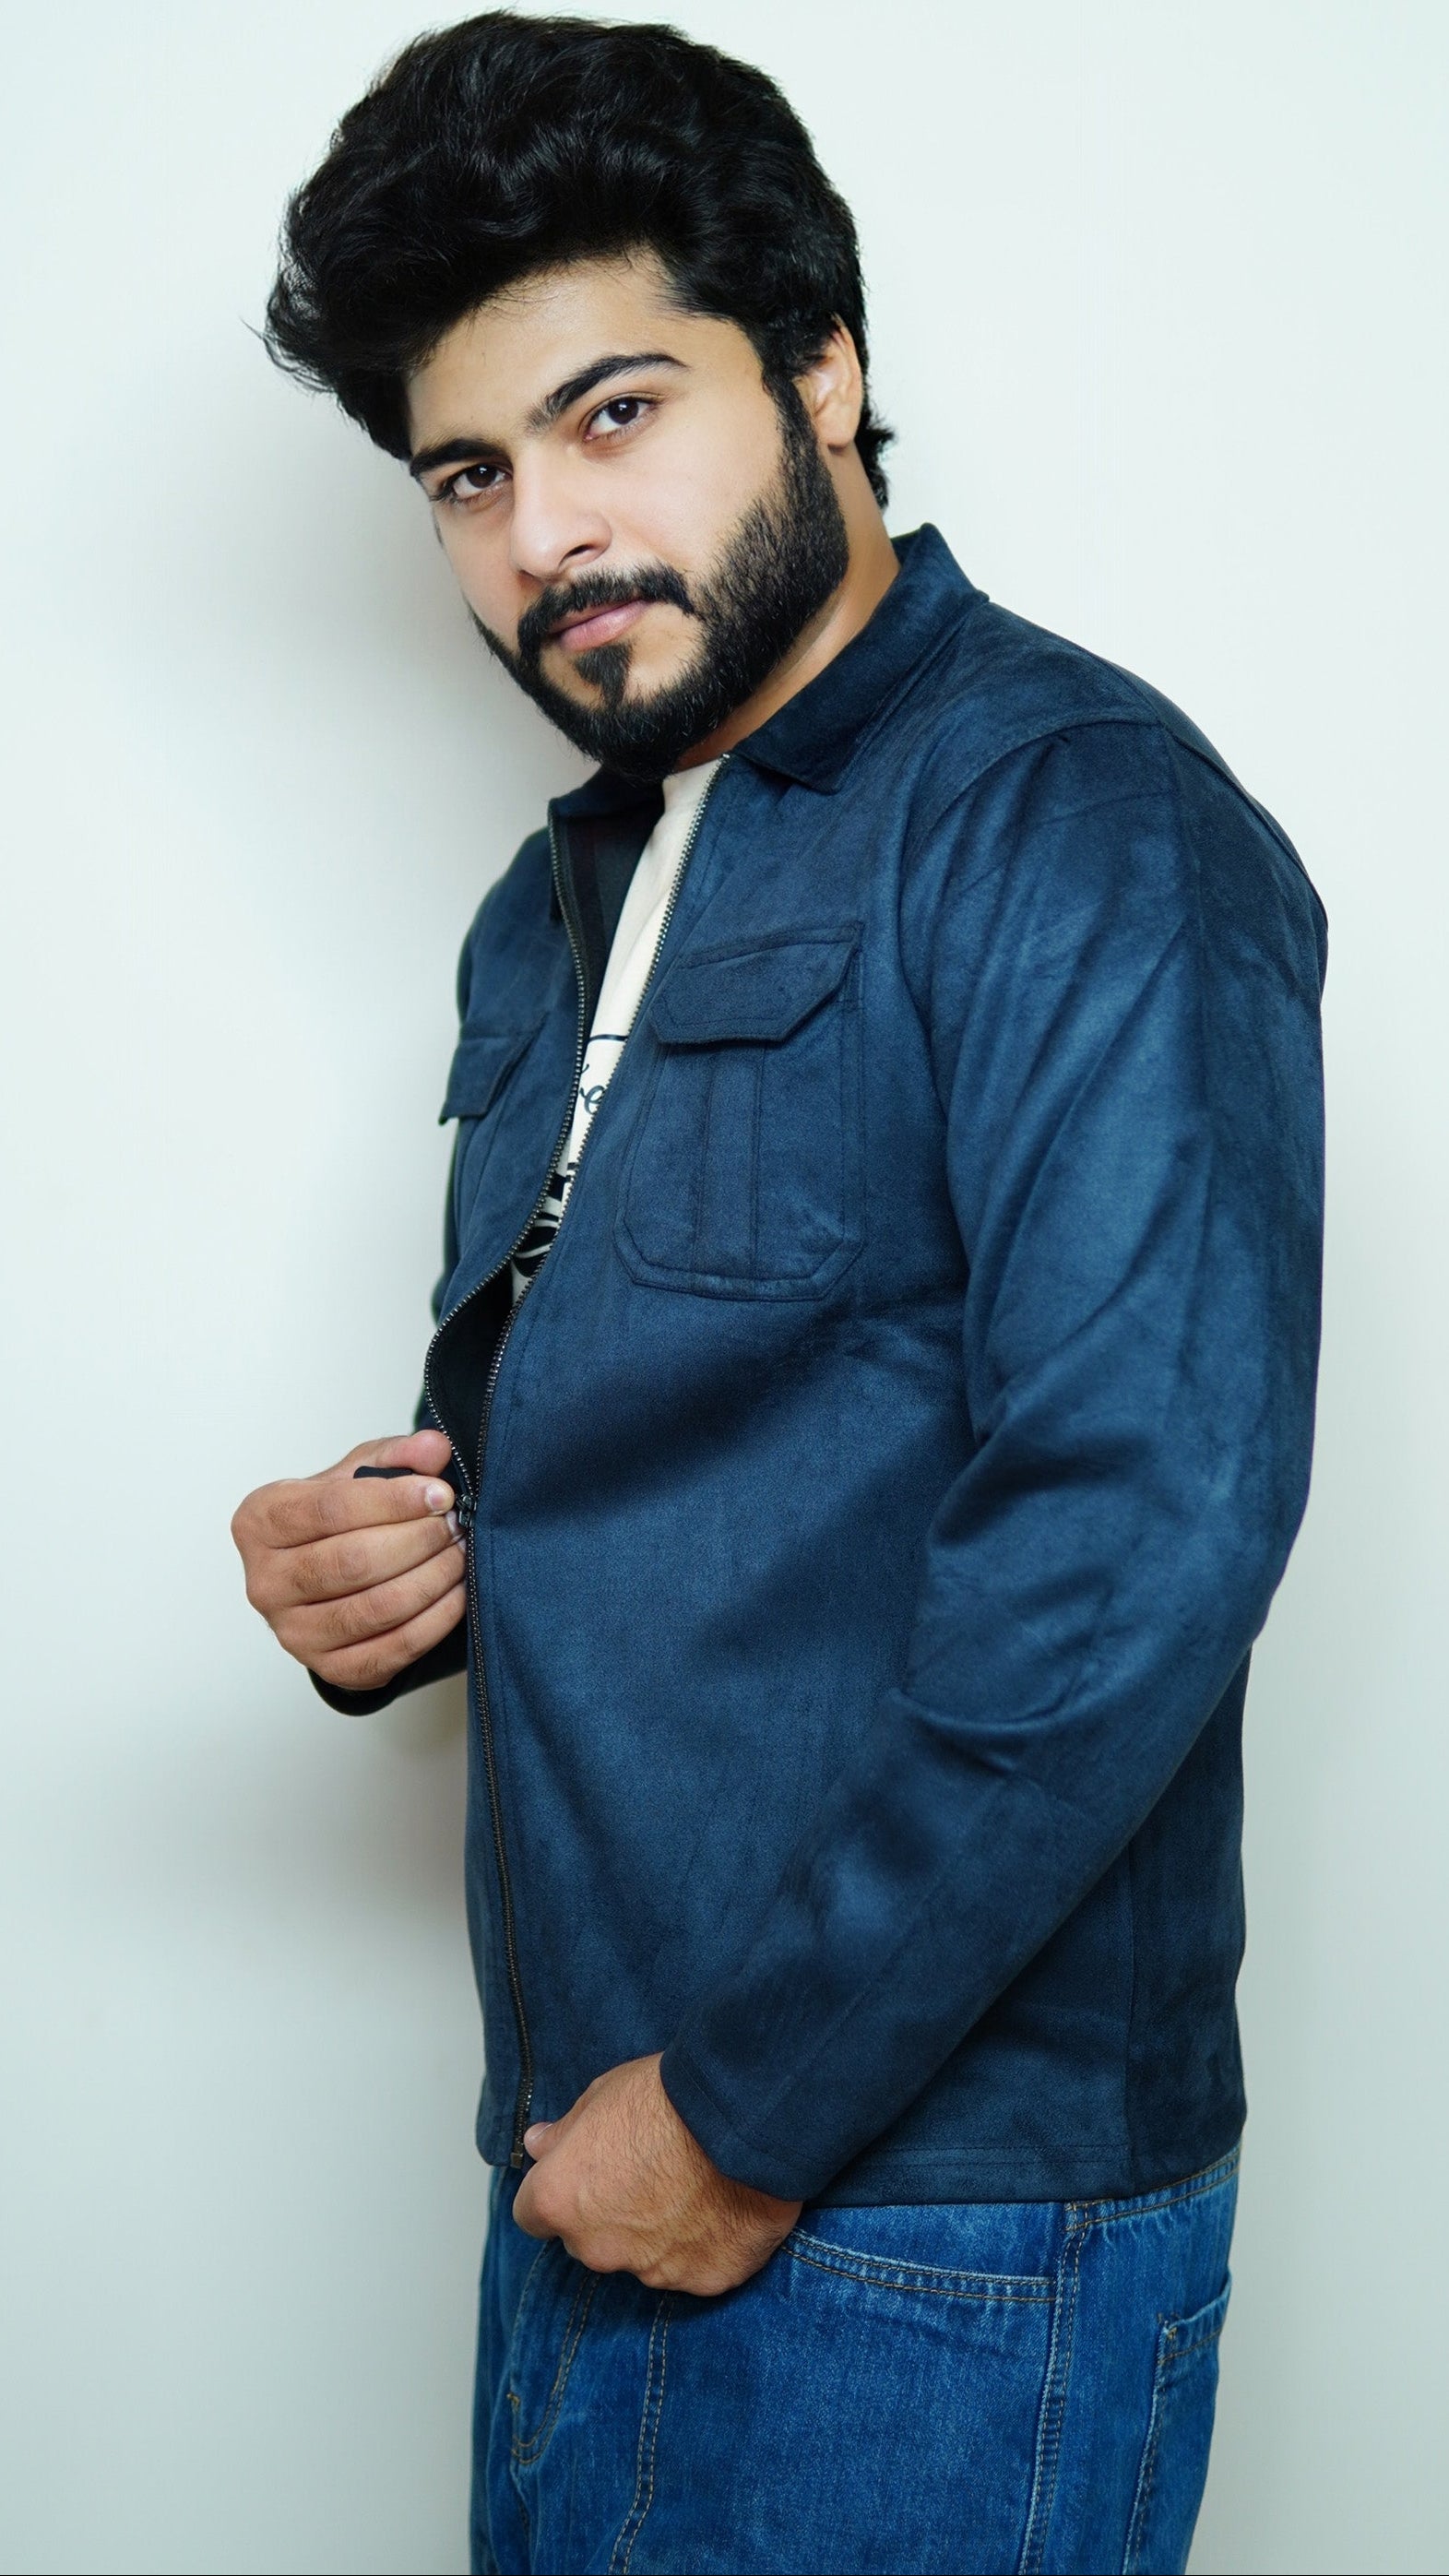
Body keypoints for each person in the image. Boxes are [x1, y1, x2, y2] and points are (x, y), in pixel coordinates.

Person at [231, 17, 1327, 2573]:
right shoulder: (562, 893)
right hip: (589, 2160)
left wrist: (744, 2108)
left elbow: (1141, 1523)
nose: (544, 534)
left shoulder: (1081, 816)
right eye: (469, 475)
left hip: (921, 2222)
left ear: (821, 369)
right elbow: (672, 1444)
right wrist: (384, 1579)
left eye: (614, 415)